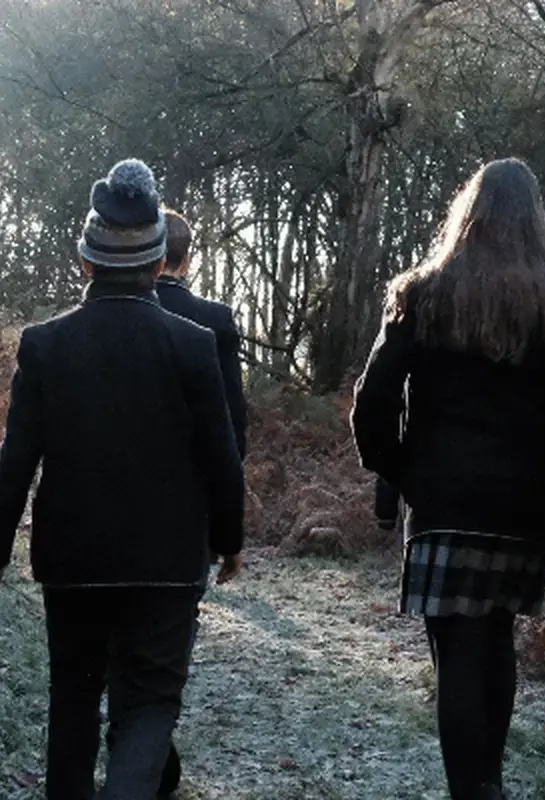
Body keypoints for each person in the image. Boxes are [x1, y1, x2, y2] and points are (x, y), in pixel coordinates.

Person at [0, 159, 245, 800]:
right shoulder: (192, 347)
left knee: (72, 701)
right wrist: (230, 540)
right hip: (167, 561)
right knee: (150, 703)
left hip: (72, 559)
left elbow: (14, 461)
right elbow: (222, 455)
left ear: (85, 262)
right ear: (159, 264)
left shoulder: (44, 346)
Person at [351, 158, 545, 800]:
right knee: (497, 639)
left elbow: (373, 400)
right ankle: (489, 785)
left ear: (469, 213)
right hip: (525, 503)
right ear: (534, 220)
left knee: (456, 651)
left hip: (444, 500)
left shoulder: (424, 291)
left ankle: (473, 793)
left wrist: (402, 469)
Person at [156, 209, 247, 458]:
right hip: (200, 473)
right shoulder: (217, 319)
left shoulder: (123, 317)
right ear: (186, 261)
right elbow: (233, 412)